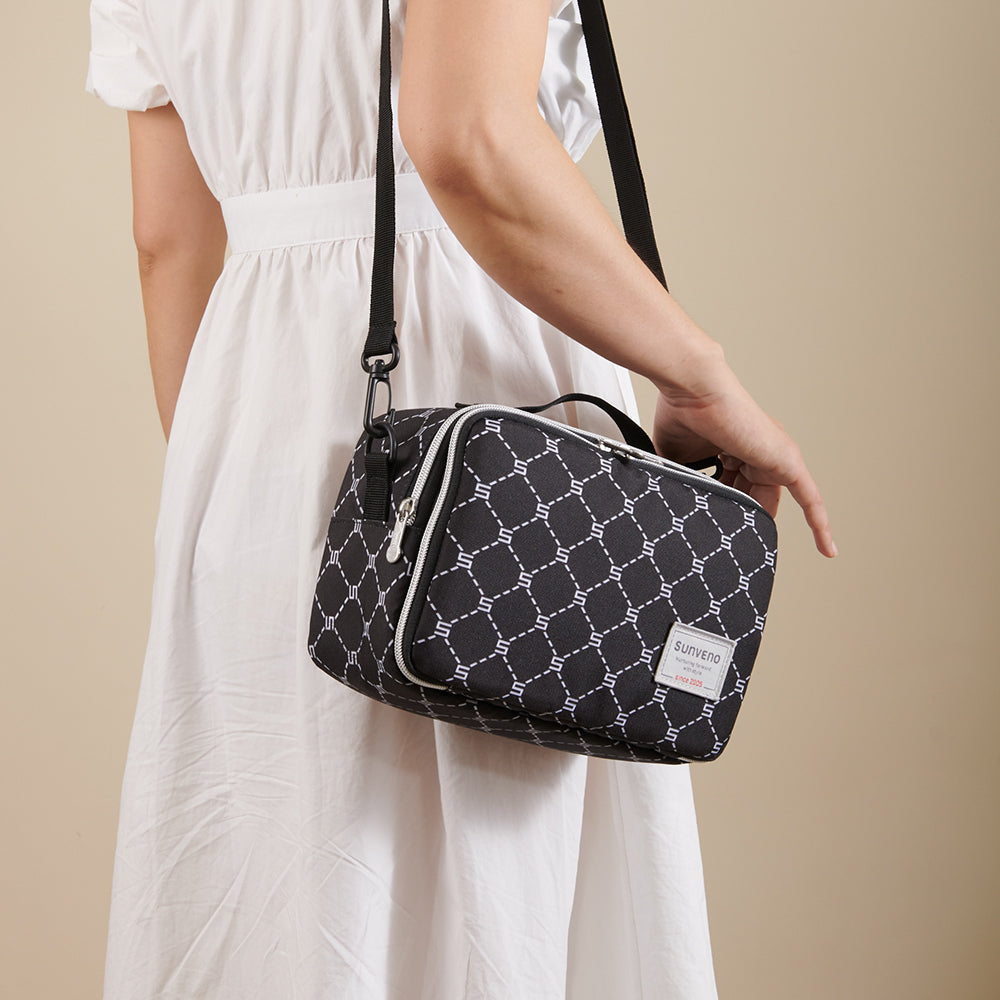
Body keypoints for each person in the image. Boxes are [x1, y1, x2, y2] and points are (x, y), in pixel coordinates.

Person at [85, 0, 836, 997]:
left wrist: (225, 496)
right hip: (477, 419)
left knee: (285, 884)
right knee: (489, 894)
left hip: (249, 430)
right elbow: (469, 138)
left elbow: (169, 243)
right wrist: (701, 376)